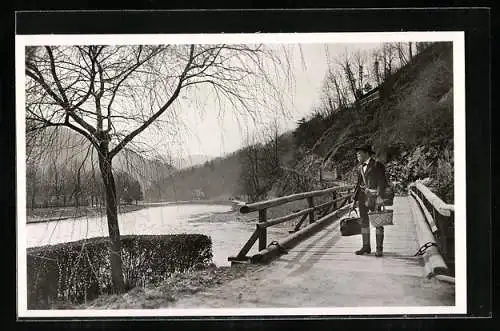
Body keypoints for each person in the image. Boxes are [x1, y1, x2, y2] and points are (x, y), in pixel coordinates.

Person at [350, 144, 388, 257]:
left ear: (367, 153)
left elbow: (382, 183)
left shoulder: (377, 165)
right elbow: (358, 185)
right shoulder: (360, 167)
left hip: (375, 198)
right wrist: (354, 200)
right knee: (364, 222)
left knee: (378, 222)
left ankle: (379, 249)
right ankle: (366, 247)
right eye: (357, 154)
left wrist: (380, 197)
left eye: (360, 153)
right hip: (362, 199)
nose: (358, 156)